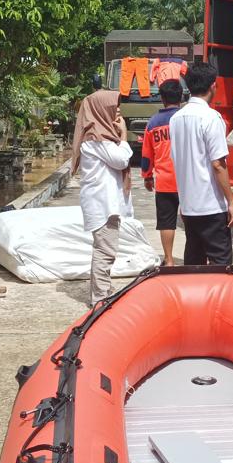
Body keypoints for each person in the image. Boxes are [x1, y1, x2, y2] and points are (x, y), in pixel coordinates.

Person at [169, 62, 233, 266]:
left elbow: (178, 161)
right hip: (211, 206)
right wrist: (231, 202)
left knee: (194, 262)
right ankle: (217, 299)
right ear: (213, 86)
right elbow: (218, 164)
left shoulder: (176, 119)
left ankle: (192, 298)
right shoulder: (211, 118)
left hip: (189, 206)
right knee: (220, 264)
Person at [72, 89, 133, 305]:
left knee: (104, 248)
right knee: (105, 251)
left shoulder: (100, 137)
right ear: (101, 111)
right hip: (102, 204)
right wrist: (124, 135)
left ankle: (102, 291)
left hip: (104, 203)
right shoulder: (97, 139)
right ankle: (100, 297)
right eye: (113, 108)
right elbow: (121, 160)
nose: (118, 111)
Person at [141, 78, 184, 266]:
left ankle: (168, 260)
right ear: (181, 97)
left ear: (162, 98)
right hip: (188, 181)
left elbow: (146, 155)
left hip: (165, 181)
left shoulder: (153, 123)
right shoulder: (185, 119)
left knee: (166, 222)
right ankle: (198, 257)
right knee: (193, 220)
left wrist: (147, 176)